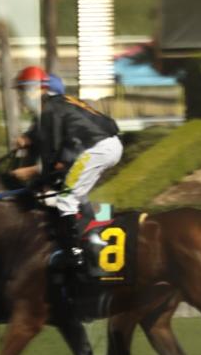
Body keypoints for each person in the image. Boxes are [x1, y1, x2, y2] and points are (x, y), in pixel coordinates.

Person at [10, 66, 123, 272]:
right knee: (75, 193)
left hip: (98, 148)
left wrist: (31, 174)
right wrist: (28, 139)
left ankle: (75, 255)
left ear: (35, 90)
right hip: (106, 145)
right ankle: (91, 235)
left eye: (21, 92)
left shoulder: (50, 110)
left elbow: (54, 157)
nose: (20, 98)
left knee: (66, 198)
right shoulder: (55, 105)